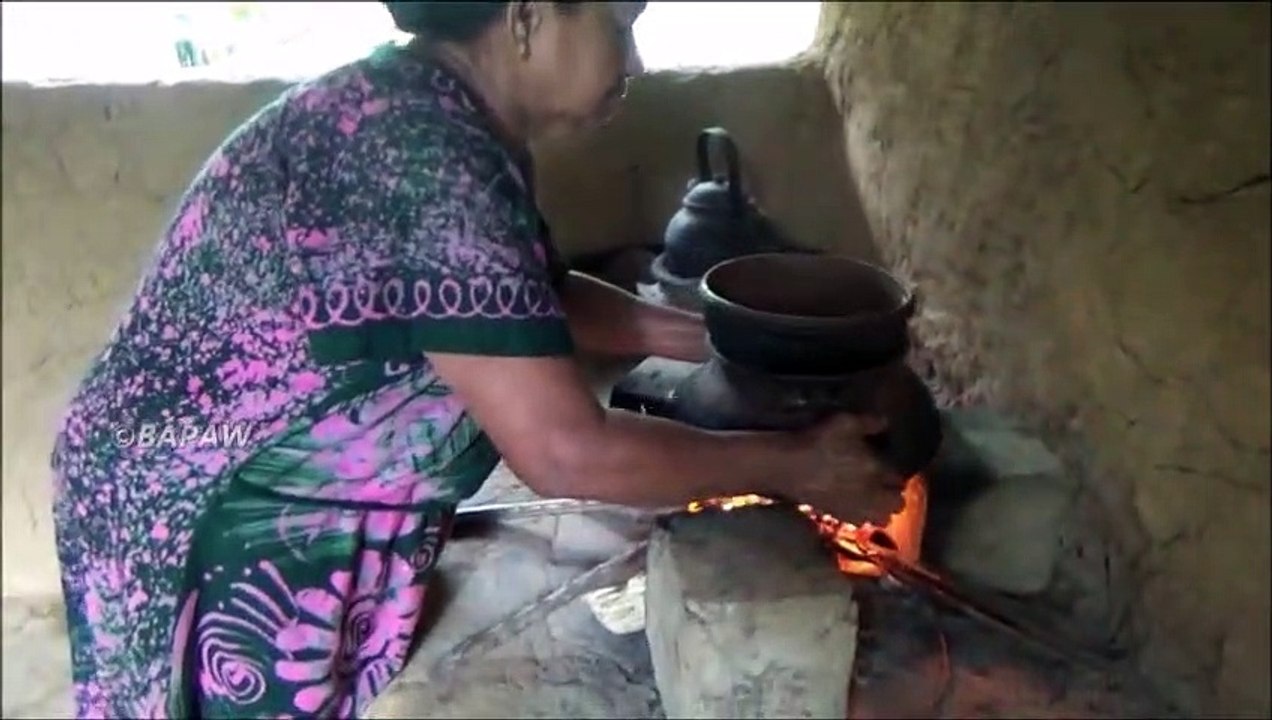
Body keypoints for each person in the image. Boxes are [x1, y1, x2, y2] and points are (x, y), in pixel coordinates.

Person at [50, 2, 905, 717]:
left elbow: (517, 296)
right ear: (529, 16)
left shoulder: (435, 116)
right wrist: (795, 464)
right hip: (198, 506)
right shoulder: (425, 161)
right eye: (621, 18)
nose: (635, 56)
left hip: (242, 484)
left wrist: (710, 336)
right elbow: (566, 451)